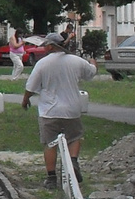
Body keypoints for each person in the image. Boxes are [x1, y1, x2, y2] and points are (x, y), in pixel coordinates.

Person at [22, 36, 97, 189]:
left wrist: (25, 100)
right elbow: (91, 73)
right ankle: (73, 161)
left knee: (50, 143)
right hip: (72, 109)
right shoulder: (76, 61)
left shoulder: (43, 63)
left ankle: (51, 178)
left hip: (49, 110)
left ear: (50, 47)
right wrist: (93, 63)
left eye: (45, 46)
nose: (43, 48)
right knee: (75, 137)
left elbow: (30, 87)